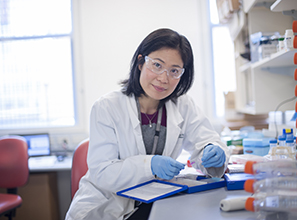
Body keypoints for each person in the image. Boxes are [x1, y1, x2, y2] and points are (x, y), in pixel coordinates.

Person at [65, 28, 229, 220]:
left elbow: (206, 140)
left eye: (174, 71)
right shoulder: (107, 107)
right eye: (157, 65)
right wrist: (149, 165)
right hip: (105, 208)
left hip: (152, 203)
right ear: (141, 62)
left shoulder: (183, 105)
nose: (163, 78)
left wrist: (213, 151)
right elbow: (103, 173)